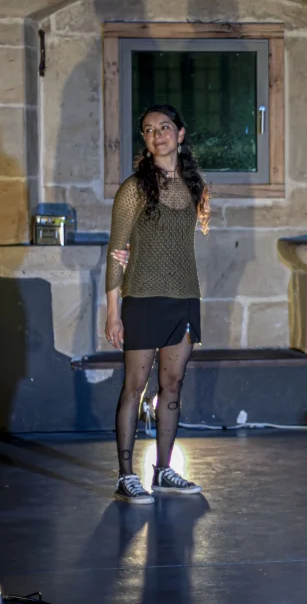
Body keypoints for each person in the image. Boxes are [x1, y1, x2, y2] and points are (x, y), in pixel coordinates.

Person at [105, 104, 209, 504]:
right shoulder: (134, 188)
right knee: (134, 386)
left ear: (180, 134)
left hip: (185, 298)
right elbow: (116, 252)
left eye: (164, 127)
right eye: (148, 130)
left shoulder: (194, 186)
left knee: (172, 385)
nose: (157, 135)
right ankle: (125, 476)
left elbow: (174, 244)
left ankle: (164, 471)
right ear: (145, 140)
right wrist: (113, 313)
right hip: (143, 299)